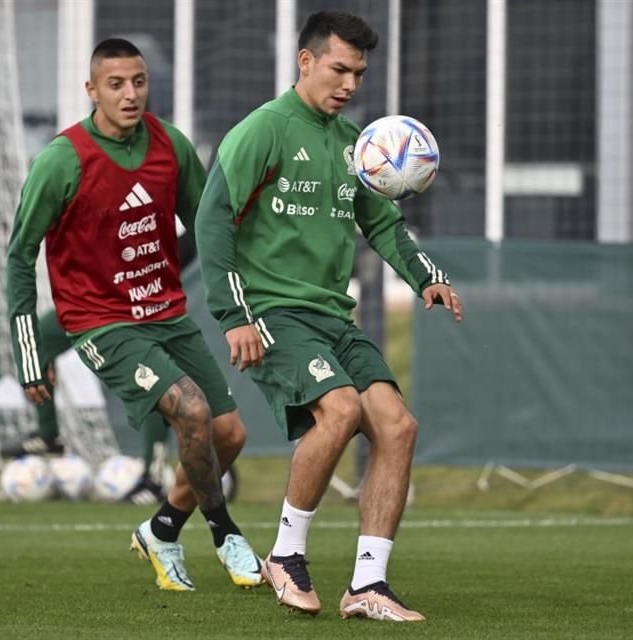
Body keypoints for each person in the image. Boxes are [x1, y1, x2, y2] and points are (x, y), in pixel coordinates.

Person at [195, 11, 464, 621]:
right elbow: (214, 221)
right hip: (272, 311)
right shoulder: (262, 130)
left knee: (397, 427)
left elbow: (385, 226)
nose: (349, 83)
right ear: (306, 61)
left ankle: (368, 585)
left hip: (332, 318)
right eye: (339, 68)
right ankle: (285, 556)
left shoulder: (355, 147)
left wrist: (429, 278)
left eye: (359, 73)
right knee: (339, 409)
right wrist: (234, 315)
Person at [6, 37, 264, 591]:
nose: (130, 94)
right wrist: (30, 355)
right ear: (92, 89)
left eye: (138, 81)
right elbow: (19, 255)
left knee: (230, 434)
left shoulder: (170, 145)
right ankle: (225, 533)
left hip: (167, 314)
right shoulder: (61, 160)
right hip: (100, 322)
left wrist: (247, 298)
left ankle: (163, 530)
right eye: (116, 84)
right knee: (191, 412)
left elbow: (209, 226)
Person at [0, 308, 171, 506]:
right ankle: (48, 435)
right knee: (41, 338)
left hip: (132, 297)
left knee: (148, 374)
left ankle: (154, 479)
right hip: (90, 295)